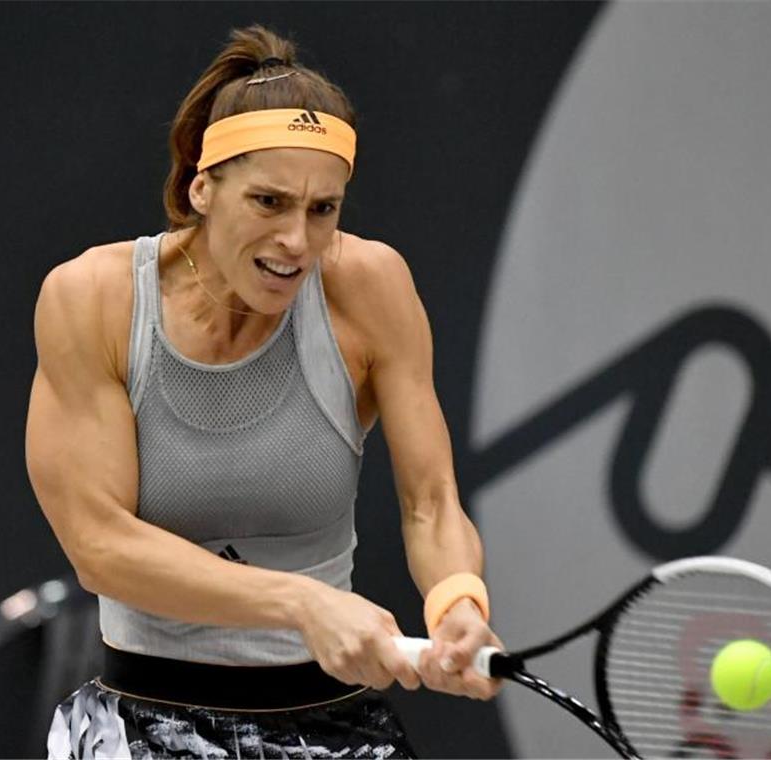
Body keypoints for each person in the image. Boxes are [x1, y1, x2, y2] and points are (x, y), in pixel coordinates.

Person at [26, 25, 503, 759]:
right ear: (201, 188)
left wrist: (457, 600)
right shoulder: (93, 298)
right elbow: (100, 544)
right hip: (139, 724)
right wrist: (303, 604)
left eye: (324, 209)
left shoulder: (370, 287)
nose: (298, 242)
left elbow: (431, 502)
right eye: (270, 201)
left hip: (335, 724)